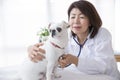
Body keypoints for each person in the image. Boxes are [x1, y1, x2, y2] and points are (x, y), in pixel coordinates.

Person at [28, 0, 120, 80]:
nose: (76, 21)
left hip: (105, 77)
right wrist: (31, 49)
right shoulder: (67, 37)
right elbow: (51, 48)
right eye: (72, 17)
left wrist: (74, 60)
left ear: (91, 20)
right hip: (80, 75)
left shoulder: (102, 34)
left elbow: (102, 66)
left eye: (82, 17)